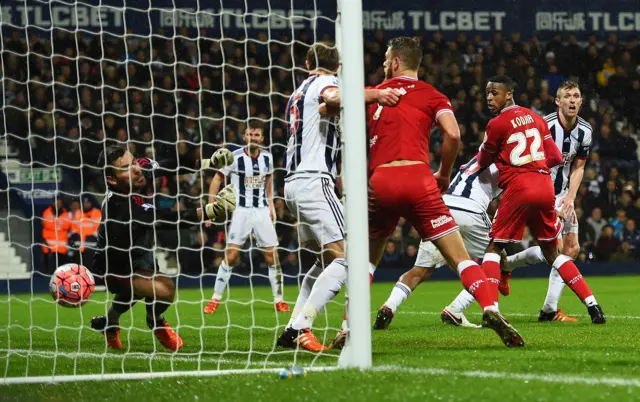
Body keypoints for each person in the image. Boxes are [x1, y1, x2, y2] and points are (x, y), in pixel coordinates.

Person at [365, 37, 523, 347]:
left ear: (395, 62)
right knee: (467, 261)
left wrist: (367, 93)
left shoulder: (374, 96)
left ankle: (351, 325)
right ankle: (488, 308)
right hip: (424, 182)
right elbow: (452, 134)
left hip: (381, 180)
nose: (384, 64)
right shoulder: (434, 95)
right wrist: (443, 173)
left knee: (373, 262)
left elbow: (329, 103)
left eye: (386, 59)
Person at [276, 42, 400, 352]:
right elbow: (333, 97)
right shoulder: (326, 83)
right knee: (351, 256)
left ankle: (296, 330)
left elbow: (324, 109)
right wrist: (376, 94)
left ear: (307, 62)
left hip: (292, 184)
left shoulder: (297, 91)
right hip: (313, 181)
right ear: (337, 66)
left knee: (323, 260)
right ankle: (298, 327)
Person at [474, 75, 605, 324]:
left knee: (498, 248)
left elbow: (578, 166)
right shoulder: (540, 120)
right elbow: (554, 158)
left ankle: (497, 306)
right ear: (557, 101)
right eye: (567, 96)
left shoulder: (585, 131)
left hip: (540, 189)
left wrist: (569, 198)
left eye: (576, 96)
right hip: (546, 188)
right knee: (555, 251)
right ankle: (589, 306)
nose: (572, 100)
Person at [89, 144, 236, 351]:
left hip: (142, 253)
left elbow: (169, 165)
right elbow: (167, 220)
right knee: (163, 288)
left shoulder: (137, 171)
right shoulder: (120, 208)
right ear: (111, 180)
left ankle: (109, 324)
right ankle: (155, 321)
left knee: (141, 290)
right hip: (115, 267)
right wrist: (212, 210)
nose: (136, 169)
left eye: (133, 162)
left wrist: (209, 163)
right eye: (125, 168)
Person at [374, 155, 501, 330]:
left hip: (444, 207)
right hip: (471, 211)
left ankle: (389, 305)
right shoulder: (510, 161)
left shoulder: (477, 157)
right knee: (495, 261)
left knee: (420, 270)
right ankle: (458, 309)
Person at [203, 120, 290, 315]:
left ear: (262, 138)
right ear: (244, 137)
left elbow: (268, 181)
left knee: (272, 256)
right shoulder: (233, 157)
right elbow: (216, 179)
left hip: (261, 211)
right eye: (249, 135)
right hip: (241, 211)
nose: (253, 138)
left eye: (256, 135)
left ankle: (279, 300)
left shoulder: (267, 158)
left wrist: (271, 205)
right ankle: (215, 299)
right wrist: (211, 207)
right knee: (232, 255)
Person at [41, 196, 71, 274]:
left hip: (62, 247)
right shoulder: (47, 212)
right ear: (52, 203)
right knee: (49, 270)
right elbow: (48, 225)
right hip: (49, 246)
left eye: (59, 202)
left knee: (62, 271)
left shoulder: (65, 213)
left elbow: (67, 225)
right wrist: (59, 225)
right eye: (56, 202)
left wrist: (56, 224)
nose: (58, 204)